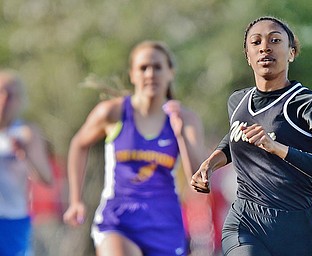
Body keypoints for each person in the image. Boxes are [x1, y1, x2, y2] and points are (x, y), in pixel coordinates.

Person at [191, 16, 312, 256]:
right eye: (256, 42)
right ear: (248, 56)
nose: (264, 47)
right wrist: (209, 165)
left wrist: (277, 148)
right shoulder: (237, 101)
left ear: (291, 52)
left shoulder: (310, 104)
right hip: (246, 222)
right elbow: (233, 139)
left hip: (298, 229)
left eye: (275, 40)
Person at [63, 40, 206, 256]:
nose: (150, 74)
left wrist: (180, 135)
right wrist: (75, 200)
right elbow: (78, 145)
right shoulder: (113, 112)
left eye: (157, 67)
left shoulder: (186, 119)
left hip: (164, 221)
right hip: (118, 219)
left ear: (170, 73)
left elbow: (199, 182)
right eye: (143, 68)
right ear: (132, 74)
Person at [0, 69, 52, 255]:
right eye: (1, 92)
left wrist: (25, 154)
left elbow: (46, 178)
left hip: (12, 220)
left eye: (11, 94)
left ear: (20, 101)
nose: (5, 99)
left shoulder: (26, 133)